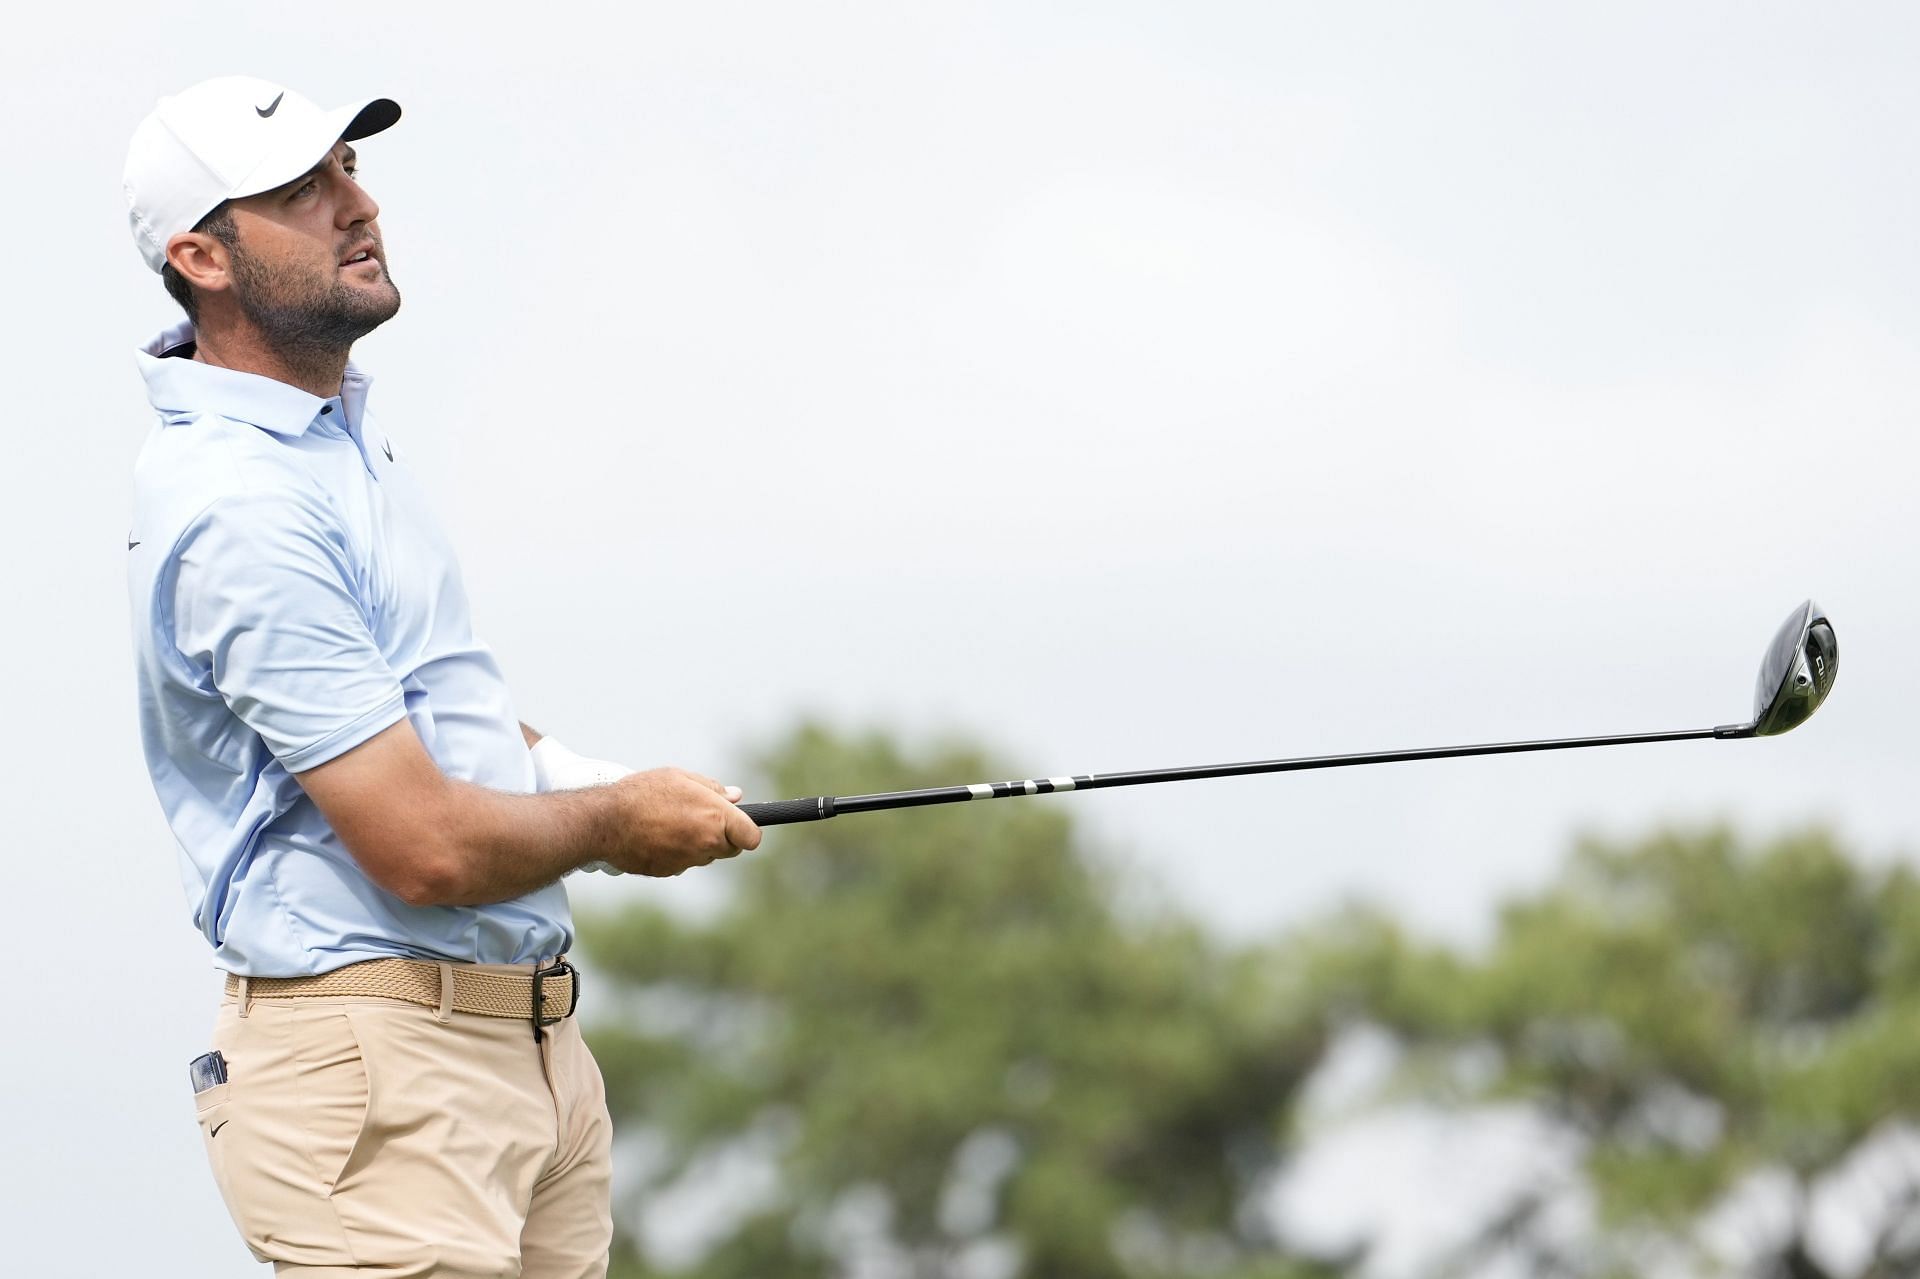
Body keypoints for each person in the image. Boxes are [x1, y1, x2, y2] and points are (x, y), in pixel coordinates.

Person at [123, 76, 762, 1278]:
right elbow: (424, 847)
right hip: (379, 1068)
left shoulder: (336, 444)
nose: (355, 206)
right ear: (202, 257)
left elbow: (434, 720)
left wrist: (593, 783)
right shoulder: (242, 507)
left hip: (520, 1053)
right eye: (301, 192)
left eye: (350, 173)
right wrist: (617, 821)